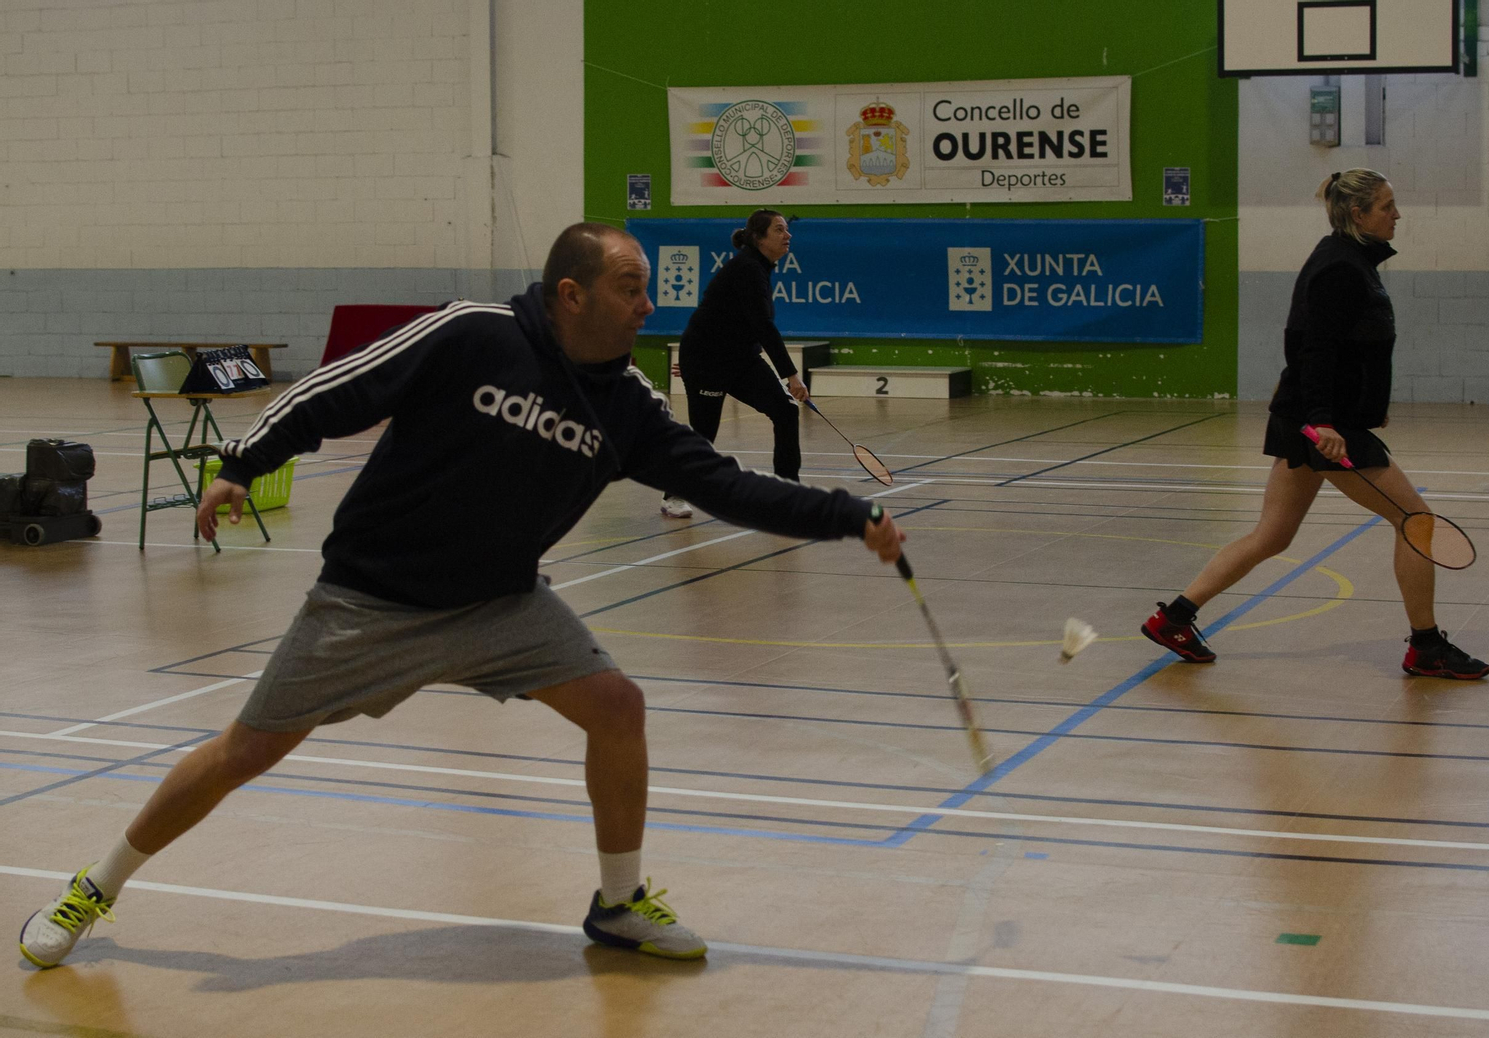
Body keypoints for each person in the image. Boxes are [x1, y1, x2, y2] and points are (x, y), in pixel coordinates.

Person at [19, 223, 905, 970]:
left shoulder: (627, 407)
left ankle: (619, 901)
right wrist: (240, 465)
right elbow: (335, 391)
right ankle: (93, 889)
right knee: (244, 752)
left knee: (619, 707)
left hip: (498, 608)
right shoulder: (475, 333)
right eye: (631, 289)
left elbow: (724, 485)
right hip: (370, 600)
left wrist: (844, 514)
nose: (648, 306)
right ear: (571, 293)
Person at [1139, 169, 1489, 680]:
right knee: (1416, 522)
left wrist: (1368, 405)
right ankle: (1426, 646)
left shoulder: (1351, 261)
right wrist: (1325, 421)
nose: (1397, 215)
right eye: (1388, 206)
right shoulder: (1339, 269)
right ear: (1358, 214)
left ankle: (1173, 619)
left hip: (1316, 420)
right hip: (1325, 430)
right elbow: (1313, 350)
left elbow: (1355, 348)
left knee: (1272, 536)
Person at [661, 209, 807, 519]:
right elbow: (763, 326)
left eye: (786, 229)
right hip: (708, 361)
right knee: (703, 434)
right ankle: (673, 494)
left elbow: (736, 321)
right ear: (759, 238)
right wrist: (792, 376)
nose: (787, 235)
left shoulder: (760, 268)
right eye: (779, 230)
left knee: (785, 410)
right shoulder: (747, 269)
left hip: (739, 359)